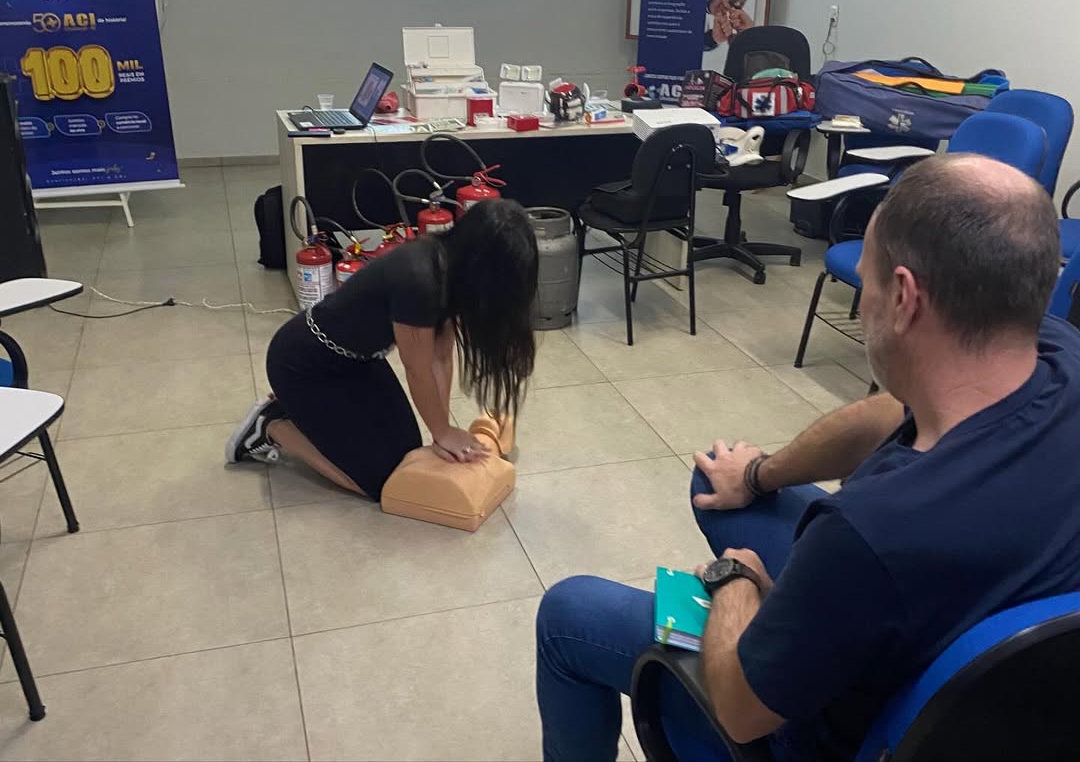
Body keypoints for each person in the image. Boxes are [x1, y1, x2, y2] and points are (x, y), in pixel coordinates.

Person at [535, 153, 1080, 762]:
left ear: (904, 298)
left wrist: (734, 582)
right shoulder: (1057, 351)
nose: (864, 298)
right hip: (993, 686)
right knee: (716, 483)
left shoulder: (868, 531)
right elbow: (889, 414)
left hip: (812, 732)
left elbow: (742, 713)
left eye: (867, 280)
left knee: (567, 614)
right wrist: (758, 474)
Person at [226, 198, 538, 501]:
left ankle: (304, 413)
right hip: (304, 365)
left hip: (358, 361)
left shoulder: (451, 270)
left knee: (406, 454)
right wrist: (443, 431)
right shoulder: (420, 279)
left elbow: (440, 357)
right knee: (382, 481)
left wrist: (440, 432)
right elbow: (417, 368)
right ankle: (272, 425)